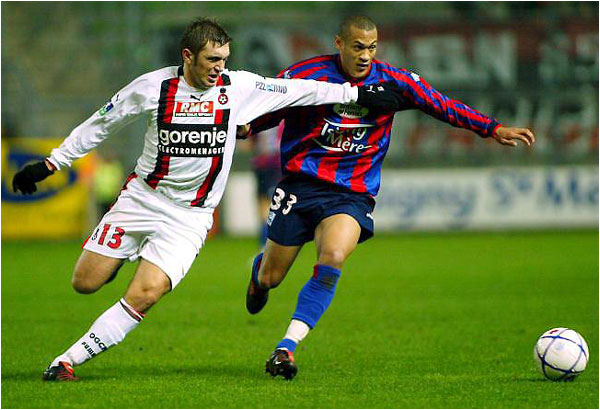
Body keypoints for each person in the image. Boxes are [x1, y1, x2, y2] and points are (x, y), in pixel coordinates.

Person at [11, 17, 405, 382]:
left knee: (147, 293)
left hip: (190, 218)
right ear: (188, 56)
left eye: (225, 59)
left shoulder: (239, 87)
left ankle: (67, 361)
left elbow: (299, 90)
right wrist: (51, 164)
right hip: (142, 200)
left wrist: (356, 93)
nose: (220, 68)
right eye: (212, 59)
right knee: (85, 282)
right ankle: (119, 256)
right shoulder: (152, 87)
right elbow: (102, 122)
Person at [243, 15, 535, 380]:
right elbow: (275, 107)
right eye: (358, 47)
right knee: (272, 276)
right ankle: (259, 275)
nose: (365, 55)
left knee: (333, 256)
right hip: (300, 186)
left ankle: (285, 348)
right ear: (340, 44)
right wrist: (248, 126)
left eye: (372, 47)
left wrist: (491, 128)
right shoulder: (307, 74)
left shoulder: (393, 82)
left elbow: (442, 105)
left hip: (352, 193)